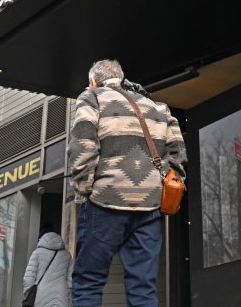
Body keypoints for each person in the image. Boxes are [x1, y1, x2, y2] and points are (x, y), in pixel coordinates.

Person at [68, 59, 187, 307]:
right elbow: (178, 155)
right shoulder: (158, 107)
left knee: (88, 282)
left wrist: (84, 190)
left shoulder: (92, 97)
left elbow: (83, 148)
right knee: (143, 289)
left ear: (93, 81)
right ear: (121, 78)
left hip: (104, 202)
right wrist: (159, 189)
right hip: (150, 208)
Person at [22, 223, 72, 307]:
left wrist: (28, 295)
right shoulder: (67, 255)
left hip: (40, 296)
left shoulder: (37, 253)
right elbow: (71, 281)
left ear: (41, 238)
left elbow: (28, 279)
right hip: (62, 297)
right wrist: (68, 297)